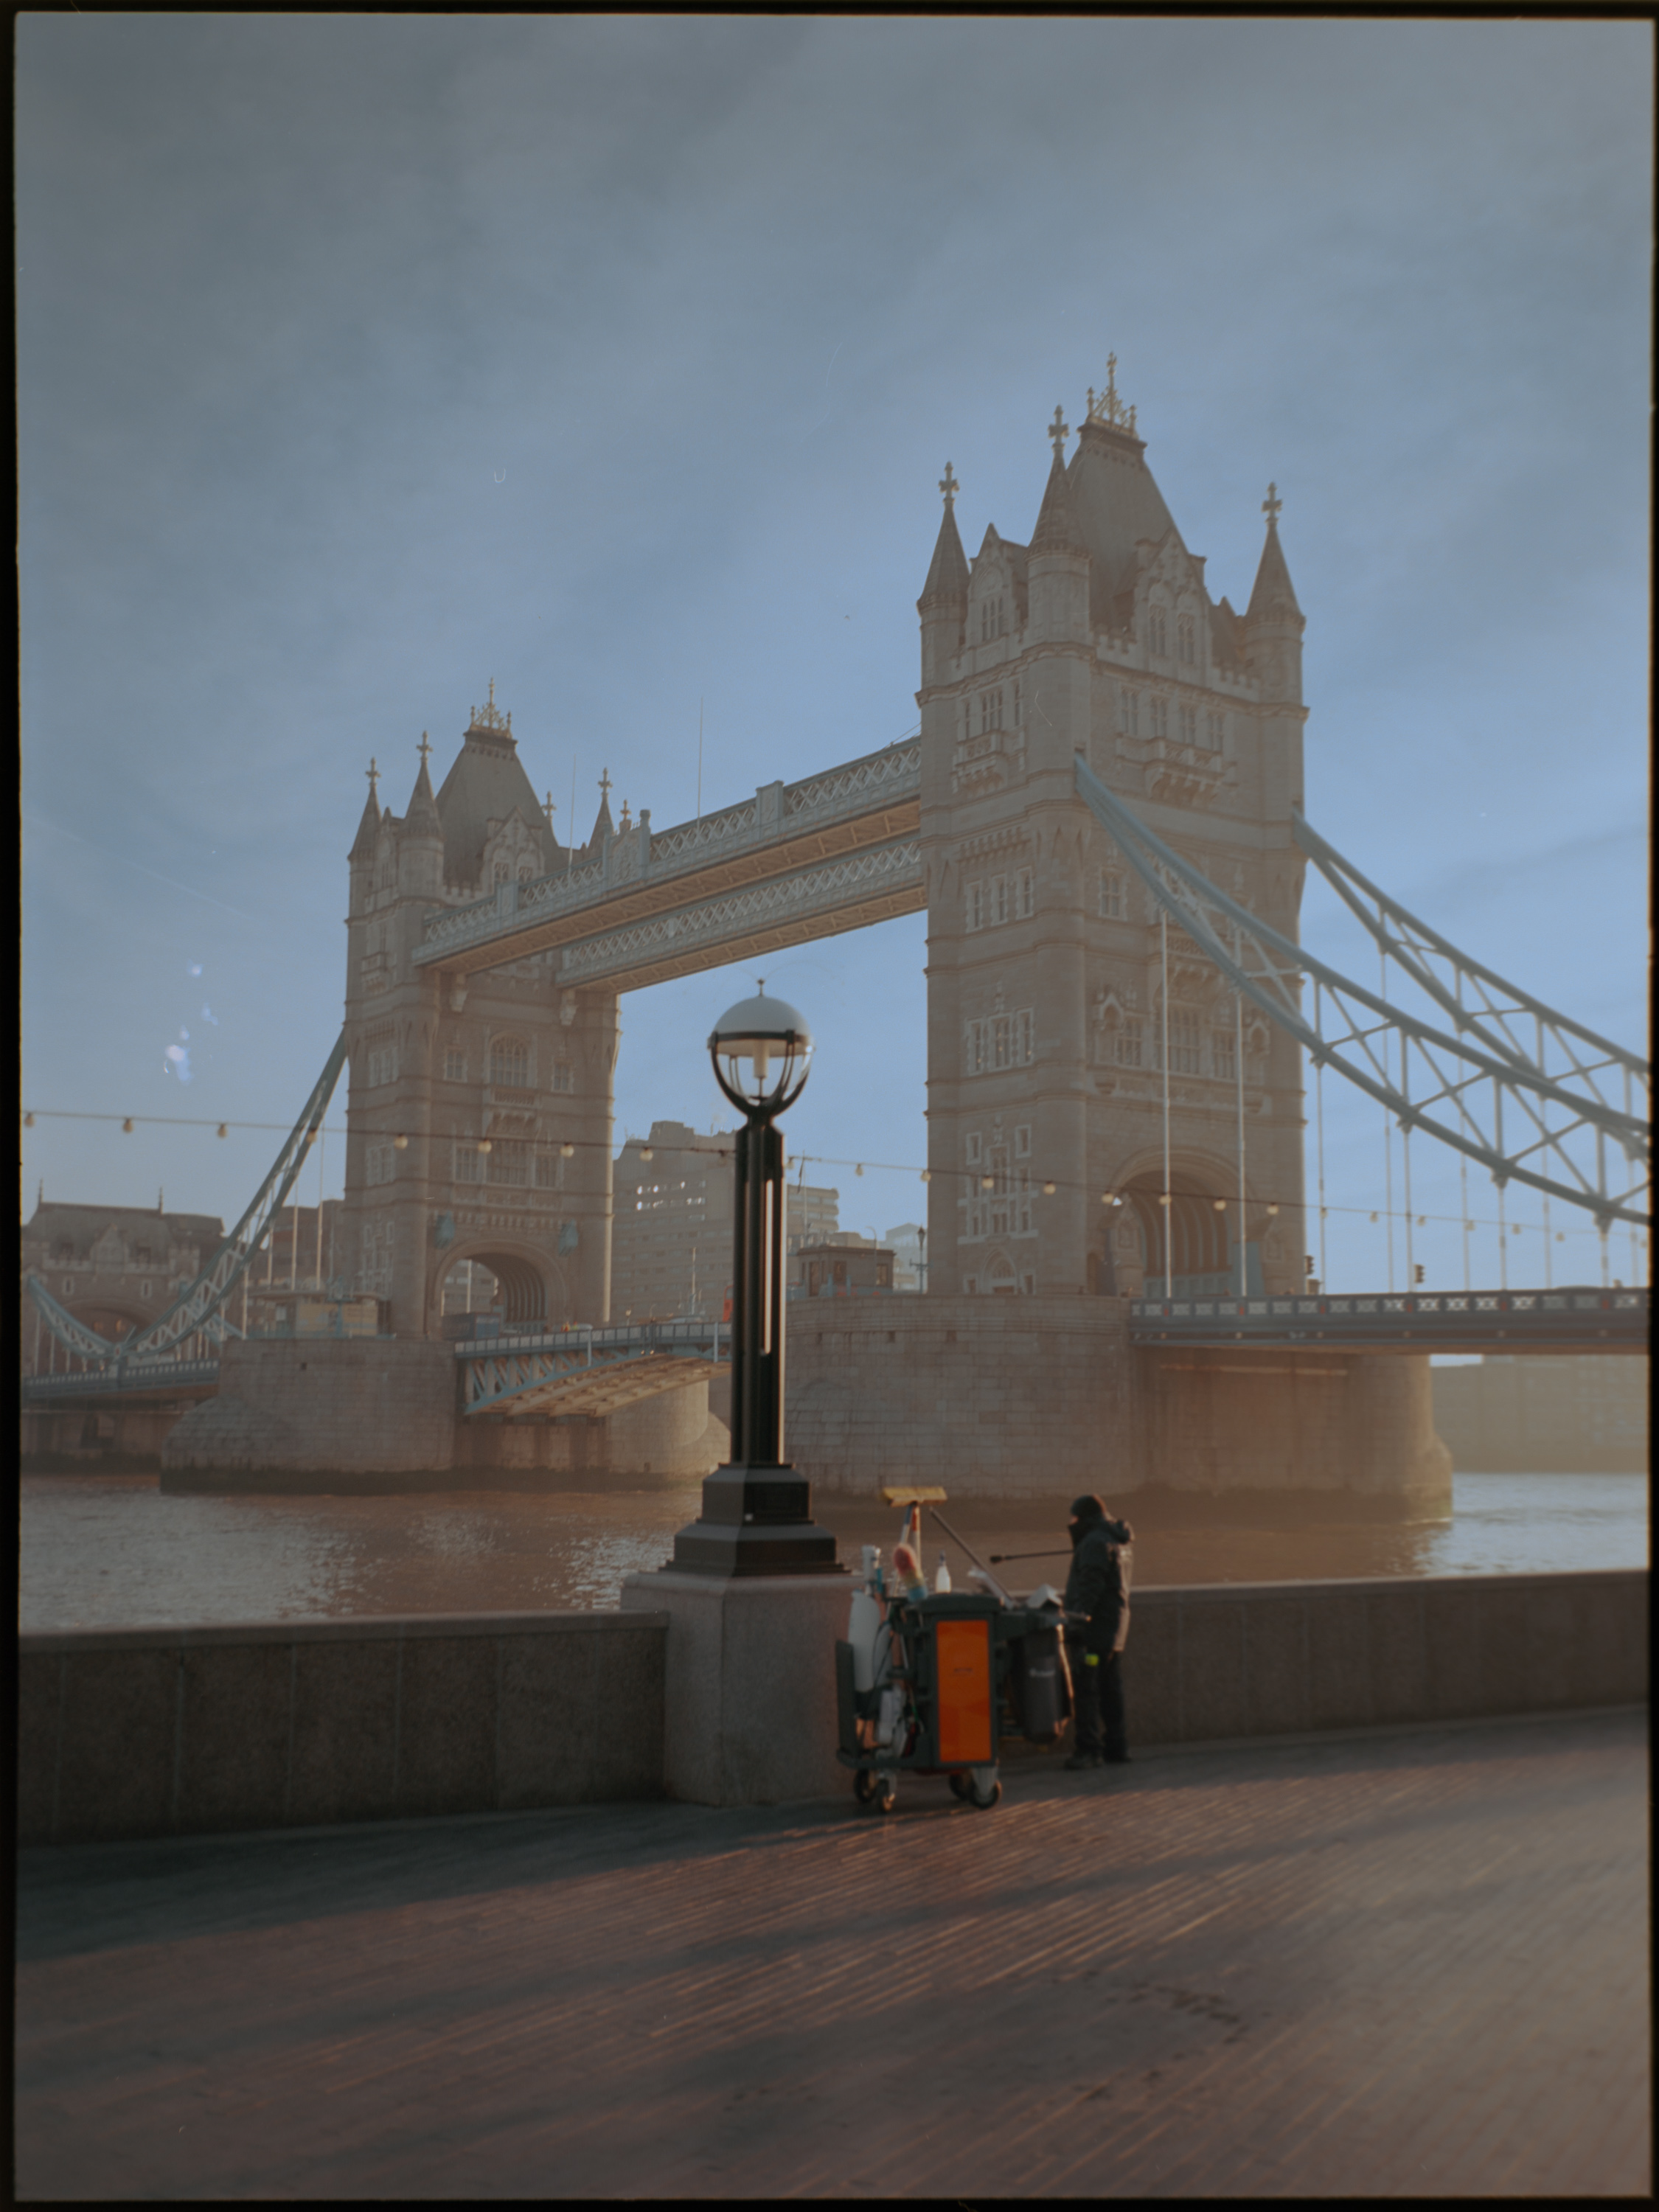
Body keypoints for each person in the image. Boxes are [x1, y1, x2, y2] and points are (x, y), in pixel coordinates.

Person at [1062, 1493, 1133, 1769]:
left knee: (1087, 1689)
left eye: (1074, 1518)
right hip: (1114, 1632)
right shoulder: (1117, 1538)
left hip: (1094, 1635)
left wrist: (1078, 1621)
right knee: (1110, 1689)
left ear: (1086, 1517)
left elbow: (1090, 1586)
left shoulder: (1094, 1542)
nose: (1071, 1523)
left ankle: (1089, 1750)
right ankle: (1118, 1746)